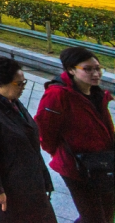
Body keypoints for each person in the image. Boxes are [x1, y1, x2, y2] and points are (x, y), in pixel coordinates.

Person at [0, 57, 58, 223]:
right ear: (0, 83)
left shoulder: (11, 102)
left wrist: (44, 177)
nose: (23, 87)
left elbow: (30, 144)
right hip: (12, 191)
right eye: (19, 84)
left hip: (28, 184)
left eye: (24, 82)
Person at [36, 47, 115, 223]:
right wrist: (62, 155)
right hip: (76, 167)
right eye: (88, 69)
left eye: (98, 68)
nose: (96, 74)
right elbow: (45, 132)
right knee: (94, 218)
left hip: (103, 162)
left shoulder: (97, 93)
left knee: (106, 215)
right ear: (71, 70)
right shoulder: (57, 94)